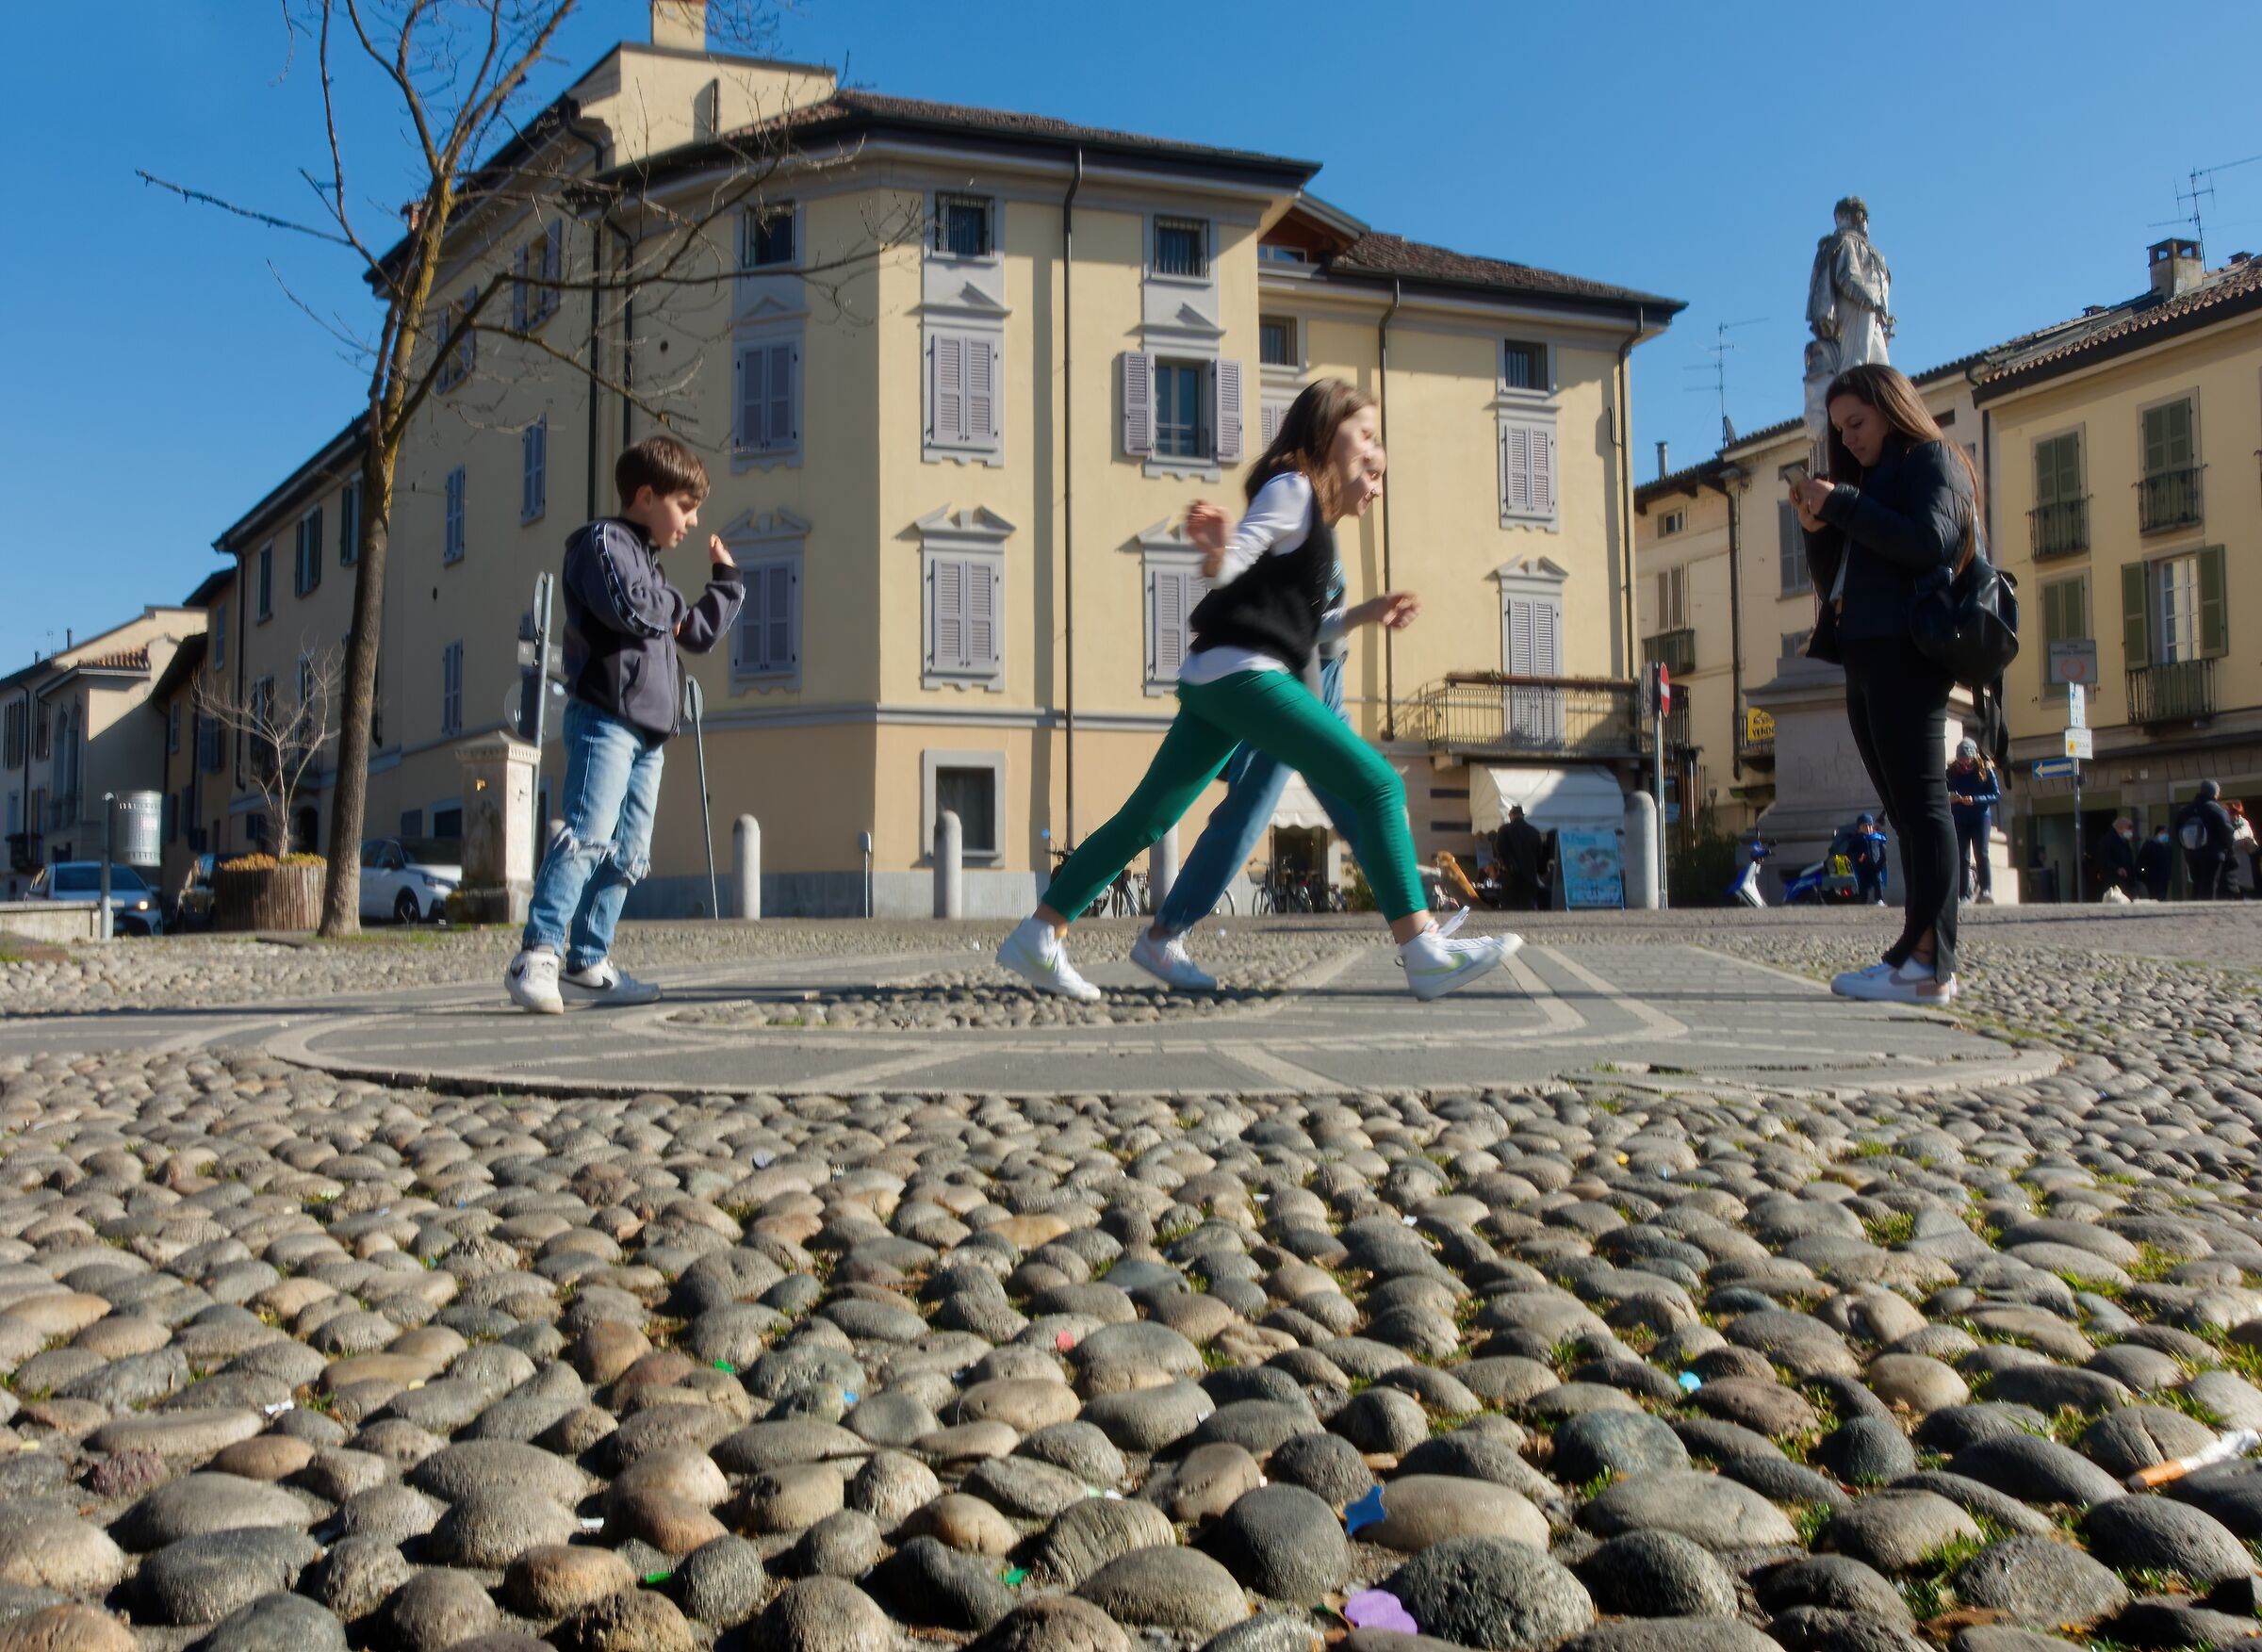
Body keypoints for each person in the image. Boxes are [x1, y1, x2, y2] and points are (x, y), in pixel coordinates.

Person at [995, 379, 1518, 1003]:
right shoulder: (1292, 486)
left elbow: (1299, 626)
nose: (1375, 458)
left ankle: (1038, 933)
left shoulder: (1313, 514)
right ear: (1328, 430)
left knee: (1150, 816)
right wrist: (1217, 553)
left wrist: (1365, 612)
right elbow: (1236, 558)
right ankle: (1423, 947)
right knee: (1377, 783)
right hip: (1245, 674)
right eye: (1367, 435)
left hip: (1217, 674)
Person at [1126, 467, 1425, 990]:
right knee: (1253, 813)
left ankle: (1423, 939)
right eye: (1370, 467)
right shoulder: (1291, 526)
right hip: (1286, 694)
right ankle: (1164, 933)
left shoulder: (1322, 537)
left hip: (1324, 694)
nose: (1377, 484)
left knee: (1361, 807)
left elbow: (1319, 628)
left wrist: (1368, 612)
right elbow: (1277, 620)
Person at [505, 436, 744, 1013]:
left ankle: (588, 962)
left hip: (651, 735)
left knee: (630, 853)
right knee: (587, 834)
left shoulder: (652, 570)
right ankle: (537, 955)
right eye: (685, 506)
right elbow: (632, 609)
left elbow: (694, 635)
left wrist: (725, 586)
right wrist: (675, 606)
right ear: (646, 495)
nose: (692, 521)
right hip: (605, 721)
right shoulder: (600, 544)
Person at [1793, 363, 1975, 1005]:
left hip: (1909, 652)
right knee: (1904, 814)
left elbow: (1929, 542)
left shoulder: (1935, 460)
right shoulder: (1866, 480)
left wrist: (1842, 503)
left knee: (1924, 810)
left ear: (1891, 407)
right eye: (1842, 428)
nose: (1851, 437)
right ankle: (1917, 958)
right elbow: (1837, 575)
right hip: (1865, 648)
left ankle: (1928, 964)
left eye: (1858, 422)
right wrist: (1821, 528)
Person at [1946, 739, 1999, 904]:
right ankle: (1964, 894)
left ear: (1974, 756)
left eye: (1967, 758)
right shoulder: (1951, 773)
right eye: (1961, 758)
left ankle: (1986, 890)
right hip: (1960, 818)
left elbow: (1996, 795)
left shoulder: (1985, 770)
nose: (1964, 761)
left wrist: (1976, 799)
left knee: (1981, 853)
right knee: (1962, 856)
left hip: (1980, 817)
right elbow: (1941, 792)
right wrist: (1950, 798)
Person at [2176, 780, 2236, 903]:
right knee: (2209, 884)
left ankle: (2194, 909)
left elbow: (2176, 831)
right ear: (2215, 793)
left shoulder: (2185, 811)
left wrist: (2186, 848)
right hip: (2213, 854)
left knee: (2196, 883)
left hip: (2192, 853)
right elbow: (2227, 832)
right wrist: (2227, 847)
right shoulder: (2217, 810)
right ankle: (2205, 911)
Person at [1497, 806, 1549, 911]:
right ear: (1522, 816)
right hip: (1529, 877)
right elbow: (1540, 855)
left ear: (1511, 815)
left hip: (1511, 876)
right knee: (1526, 909)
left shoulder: (1504, 830)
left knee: (1509, 909)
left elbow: (1500, 851)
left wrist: (1506, 866)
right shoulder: (1534, 832)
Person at [1849, 814, 1889, 904]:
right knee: (1863, 885)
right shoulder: (1856, 840)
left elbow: (1883, 850)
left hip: (1876, 866)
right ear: (1859, 828)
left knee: (1878, 882)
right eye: (1864, 826)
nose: (1868, 828)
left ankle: (1879, 899)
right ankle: (1862, 901)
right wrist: (1857, 858)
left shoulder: (1877, 838)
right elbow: (1850, 852)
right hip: (1862, 868)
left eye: (1869, 826)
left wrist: (1883, 860)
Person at [2096, 817, 2139, 901]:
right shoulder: (2108, 840)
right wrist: (2116, 868)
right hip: (2114, 882)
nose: (2131, 831)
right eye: (2129, 828)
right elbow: (2103, 859)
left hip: (2126, 881)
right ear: (2120, 827)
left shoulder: (2124, 841)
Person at [2138, 825, 2175, 902]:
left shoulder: (2167, 847)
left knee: (2162, 897)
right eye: (2164, 833)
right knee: (2155, 898)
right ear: (2159, 833)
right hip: (2153, 878)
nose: (2166, 835)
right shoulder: (2149, 845)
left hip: (2164, 878)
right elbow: (2141, 861)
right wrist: (2145, 873)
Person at [2229, 800, 2259, 897]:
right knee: (2235, 888)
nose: (2236, 817)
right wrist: (2237, 844)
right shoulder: (2225, 824)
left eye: (2238, 814)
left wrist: (2250, 844)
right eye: (2233, 814)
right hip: (2233, 860)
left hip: (2245, 860)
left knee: (2245, 889)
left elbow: (2251, 838)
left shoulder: (2245, 823)